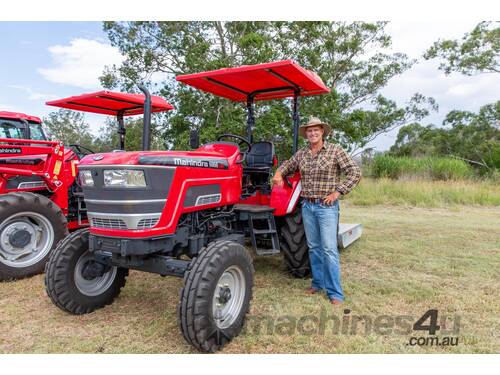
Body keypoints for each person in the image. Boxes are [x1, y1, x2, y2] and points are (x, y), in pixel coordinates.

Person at [272, 117, 361, 305]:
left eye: (316, 130)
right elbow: (288, 164)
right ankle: (317, 283)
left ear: (322, 132)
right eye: (309, 131)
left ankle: (335, 293)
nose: (312, 133)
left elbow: (355, 172)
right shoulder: (302, 154)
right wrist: (279, 173)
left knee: (329, 249)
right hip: (308, 205)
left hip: (326, 207)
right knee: (313, 247)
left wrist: (338, 192)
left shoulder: (335, 151)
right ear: (306, 134)